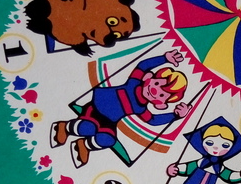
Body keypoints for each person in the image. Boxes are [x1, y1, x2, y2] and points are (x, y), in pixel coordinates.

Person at [51, 50, 190, 167]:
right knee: (88, 127)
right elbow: (142, 66)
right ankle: (64, 127)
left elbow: (152, 120)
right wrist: (164, 59)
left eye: (161, 94)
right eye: (157, 84)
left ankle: (84, 145)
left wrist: (175, 116)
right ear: (148, 78)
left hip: (110, 122)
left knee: (108, 139)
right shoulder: (133, 82)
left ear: (160, 104)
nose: (154, 91)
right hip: (96, 108)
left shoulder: (140, 109)